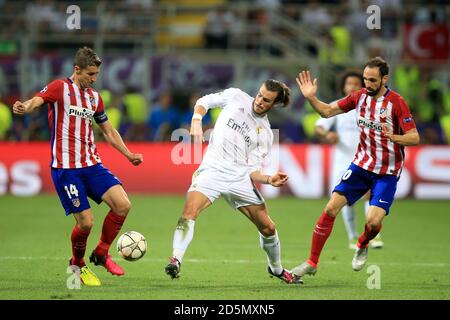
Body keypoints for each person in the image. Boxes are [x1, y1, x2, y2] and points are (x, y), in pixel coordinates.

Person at [12, 47, 143, 286]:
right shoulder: (59, 88)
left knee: (123, 205)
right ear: (77, 69)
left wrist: (128, 154)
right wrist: (25, 107)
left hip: (92, 164)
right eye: (90, 74)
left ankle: (102, 253)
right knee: (86, 222)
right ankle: (78, 265)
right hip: (66, 168)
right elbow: (37, 101)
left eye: (96, 75)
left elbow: (108, 131)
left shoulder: (95, 97)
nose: (93, 79)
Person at [292, 57, 420, 280]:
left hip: (387, 172)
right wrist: (311, 97)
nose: (367, 84)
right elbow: (327, 112)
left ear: (384, 79)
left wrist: (395, 137)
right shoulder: (359, 97)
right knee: (331, 208)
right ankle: (312, 262)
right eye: (365, 79)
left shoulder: (397, 103)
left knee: (373, 222)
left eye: (372, 80)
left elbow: (414, 137)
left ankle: (362, 243)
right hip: (361, 165)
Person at [164, 80, 301, 284]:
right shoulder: (236, 96)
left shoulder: (264, 133)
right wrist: (196, 120)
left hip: (239, 179)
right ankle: (176, 260)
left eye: (267, 100)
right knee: (189, 213)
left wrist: (269, 179)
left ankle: (277, 269)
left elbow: (252, 170)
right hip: (212, 171)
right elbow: (205, 101)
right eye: (260, 95)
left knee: (268, 228)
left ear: (275, 104)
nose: (260, 101)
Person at [315, 71, 384, 250]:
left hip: (366, 160)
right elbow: (319, 127)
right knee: (345, 199)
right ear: (344, 87)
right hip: (343, 161)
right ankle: (353, 237)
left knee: (369, 195)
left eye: (356, 84)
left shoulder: (370, 107)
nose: (352, 87)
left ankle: (373, 235)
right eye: (349, 84)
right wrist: (327, 134)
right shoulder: (337, 107)